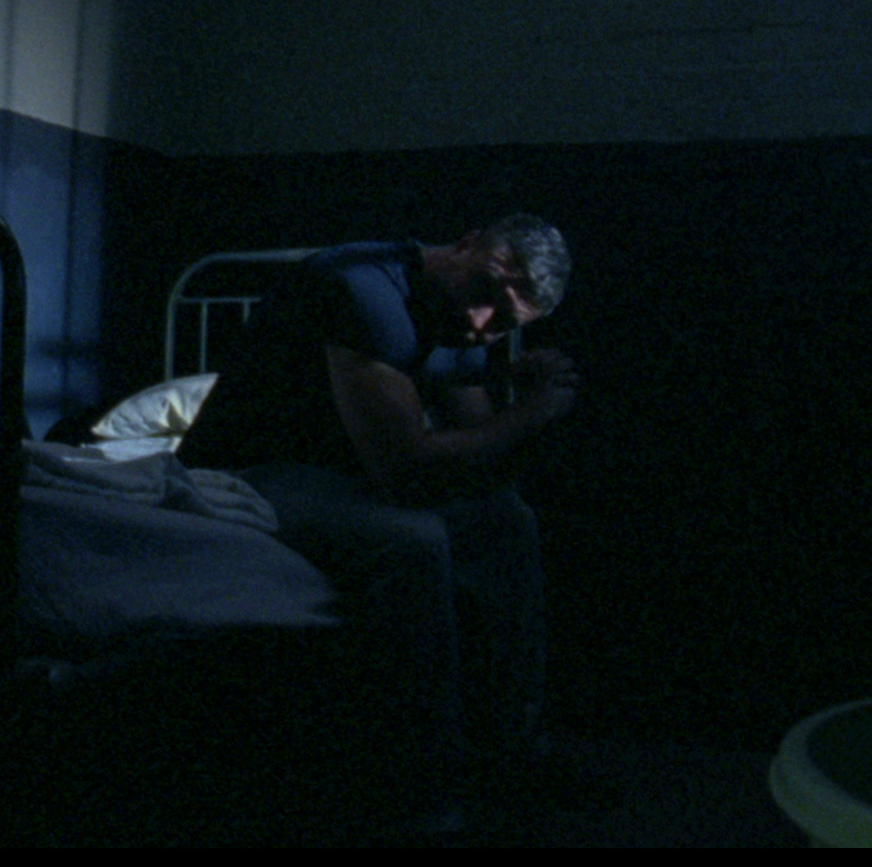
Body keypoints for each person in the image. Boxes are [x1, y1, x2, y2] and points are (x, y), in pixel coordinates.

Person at [178, 215, 578, 822]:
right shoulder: (362, 289)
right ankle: (424, 789)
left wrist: (511, 398)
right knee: (411, 541)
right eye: (484, 291)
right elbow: (406, 468)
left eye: (504, 322)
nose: (481, 323)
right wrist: (530, 415)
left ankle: (512, 751)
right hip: (249, 468)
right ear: (465, 244)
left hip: (340, 474)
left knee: (506, 520)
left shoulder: (463, 319)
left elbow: (476, 450)